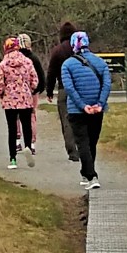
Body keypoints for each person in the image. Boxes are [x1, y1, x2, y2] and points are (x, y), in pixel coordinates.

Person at [59, 29, 112, 189]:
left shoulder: (67, 65)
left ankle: (91, 176)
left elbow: (69, 88)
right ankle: (86, 172)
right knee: (92, 142)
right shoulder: (100, 62)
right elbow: (107, 84)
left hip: (77, 110)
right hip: (97, 110)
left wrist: (82, 106)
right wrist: (100, 104)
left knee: (82, 143)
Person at [0, 36, 40, 170]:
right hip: (25, 98)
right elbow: (34, 80)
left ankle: (13, 159)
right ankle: (28, 148)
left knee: (12, 129)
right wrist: (29, 89)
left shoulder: (3, 64)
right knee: (27, 126)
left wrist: (1, 94)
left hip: (10, 100)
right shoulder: (27, 62)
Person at [43, 21, 81, 162]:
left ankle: (72, 152)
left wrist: (49, 91)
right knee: (80, 119)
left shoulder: (57, 51)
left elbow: (51, 72)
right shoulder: (79, 49)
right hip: (80, 88)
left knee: (66, 121)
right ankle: (82, 147)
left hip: (64, 89)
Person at [13, 33, 44, 157]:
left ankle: (17, 141)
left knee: (16, 116)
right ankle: (31, 144)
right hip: (31, 92)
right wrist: (38, 90)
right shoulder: (33, 59)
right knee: (31, 117)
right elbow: (41, 77)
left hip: (15, 92)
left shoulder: (13, 58)